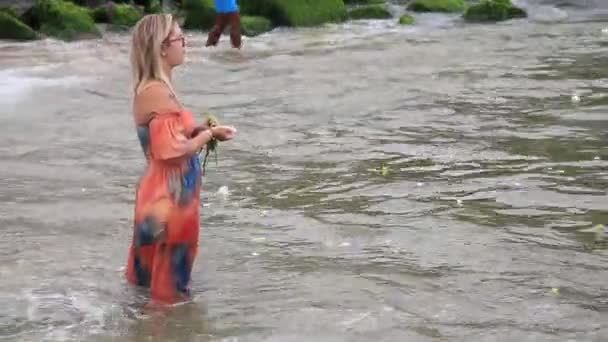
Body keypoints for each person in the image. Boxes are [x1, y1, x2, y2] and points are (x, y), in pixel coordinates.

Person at [126, 13, 237, 304]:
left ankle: (138, 331)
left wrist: (207, 130)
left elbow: (178, 130)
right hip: (171, 199)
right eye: (180, 39)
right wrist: (207, 137)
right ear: (162, 48)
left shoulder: (156, 88)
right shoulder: (156, 92)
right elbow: (170, 150)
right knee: (170, 295)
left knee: (144, 285)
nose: (185, 44)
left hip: (159, 195)